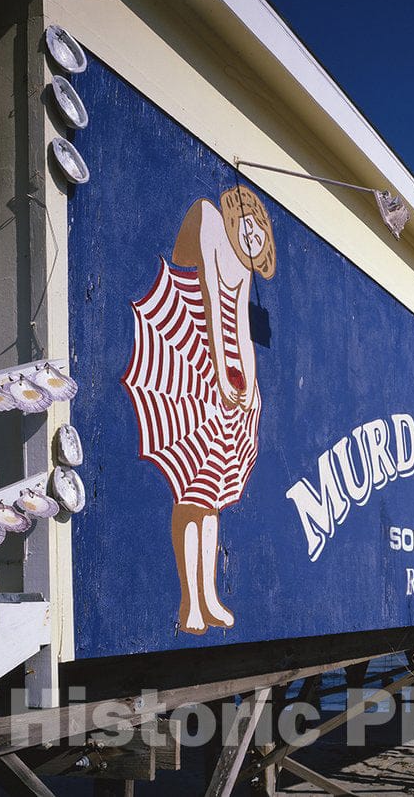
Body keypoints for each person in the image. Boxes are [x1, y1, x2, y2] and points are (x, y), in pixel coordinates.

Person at [127, 185, 275, 635]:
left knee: (212, 499)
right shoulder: (212, 223)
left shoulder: (246, 263)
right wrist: (220, 370)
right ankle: (189, 599)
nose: (253, 237)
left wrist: (249, 387)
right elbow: (211, 301)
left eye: (259, 233)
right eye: (249, 226)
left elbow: (243, 332)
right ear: (236, 217)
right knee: (190, 495)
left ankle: (209, 594)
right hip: (194, 367)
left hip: (230, 381)